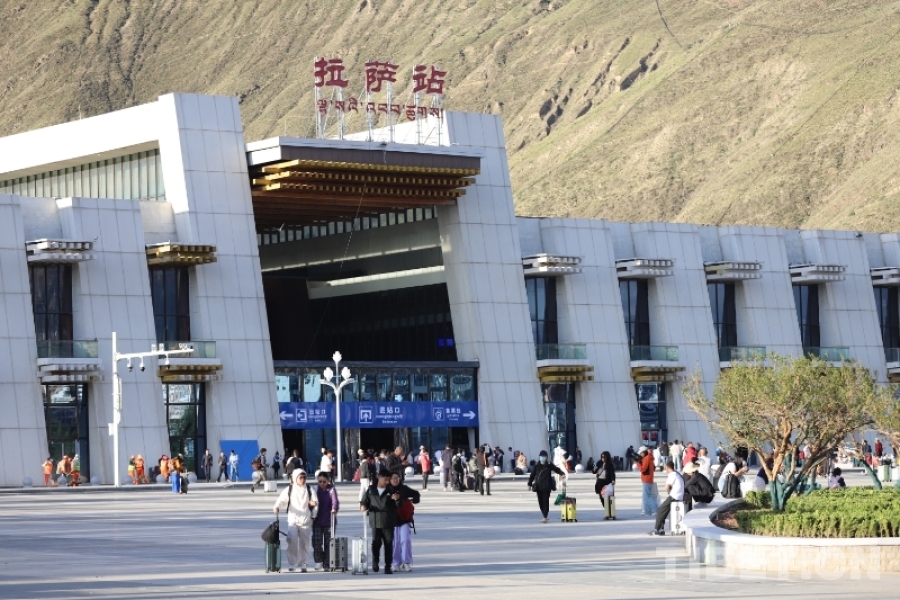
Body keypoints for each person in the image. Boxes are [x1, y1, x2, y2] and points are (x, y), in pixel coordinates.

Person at [273, 470, 318, 573]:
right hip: (293, 520)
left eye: (304, 477)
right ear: (295, 478)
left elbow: (316, 503)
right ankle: (292, 563)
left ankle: (304, 563)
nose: (303, 480)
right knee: (291, 540)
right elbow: (282, 500)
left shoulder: (309, 489)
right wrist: (277, 507)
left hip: (306, 520)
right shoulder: (289, 489)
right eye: (300, 478)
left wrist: (313, 515)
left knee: (305, 543)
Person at [361, 469, 399, 574]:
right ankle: (375, 562)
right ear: (379, 477)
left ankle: (388, 566)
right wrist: (363, 506)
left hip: (388, 521)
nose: (387, 482)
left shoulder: (391, 490)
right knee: (376, 544)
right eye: (385, 479)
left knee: (388, 544)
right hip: (375, 521)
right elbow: (364, 501)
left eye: (388, 480)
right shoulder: (371, 490)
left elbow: (398, 505)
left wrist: (397, 499)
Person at [390, 471, 421, 572]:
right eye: (393, 478)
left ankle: (407, 562)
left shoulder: (404, 489)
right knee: (395, 543)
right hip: (392, 521)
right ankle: (396, 563)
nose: (395, 480)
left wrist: (413, 500)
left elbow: (416, 493)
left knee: (405, 540)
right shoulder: (387, 490)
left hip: (404, 520)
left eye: (397, 478)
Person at [527, 450, 567, 523]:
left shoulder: (549, 465)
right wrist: (529, 484)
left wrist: (562, 473)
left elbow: (556, 469)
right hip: (539, 487)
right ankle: (544, 514)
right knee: (540, 502)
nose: (542, 458)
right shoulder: (536, 466)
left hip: (547, 486)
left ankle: (545, 516)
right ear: (539, 457)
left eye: (544, 456)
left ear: (546, 457)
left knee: (545, 501)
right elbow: (532, 476)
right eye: (541, 456)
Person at [312, 471, 340, 571]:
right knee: (316, 542)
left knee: (328, 543)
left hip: (329, 521)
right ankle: (319, 560)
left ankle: (327, 563)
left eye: (324, 482)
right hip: (317, 520)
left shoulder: (331, 489)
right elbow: (310, 500)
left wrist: (334, 508)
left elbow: (335, 501)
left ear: (328, 481)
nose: (322, 484)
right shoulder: (315, 489)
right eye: (320, 481)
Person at [652, 460, 684, 535]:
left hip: (674, 496)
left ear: (667, 467)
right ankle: (661, 528)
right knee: (664, 511)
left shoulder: (672, 474)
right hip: (679, 496)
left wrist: (668, 489)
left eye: (665, 468)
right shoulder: (677, 474)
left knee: (660, 511)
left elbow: (666, 487)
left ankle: (658, 529)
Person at [635, 446, 658, 516]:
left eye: (641, 453)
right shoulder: (649, 458)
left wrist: (638, 463)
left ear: (644, 452)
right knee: (645, 496)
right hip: (649, 478)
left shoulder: (647, 458)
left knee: (648, 496)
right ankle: (646, 510)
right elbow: (653, 468)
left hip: (646, 479)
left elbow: (643, 469)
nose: (640, 455)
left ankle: (655, 509)